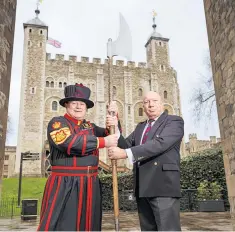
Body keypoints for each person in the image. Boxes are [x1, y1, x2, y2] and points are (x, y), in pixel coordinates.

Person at [37, 83, 123, 231]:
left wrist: (114, 120)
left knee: (89, 224)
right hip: (65, 183)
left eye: (82, 104)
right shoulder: (57, 123)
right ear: (66, 105)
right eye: (74, 103)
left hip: (90, 183)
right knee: (65, 224)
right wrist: (102, 142)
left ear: (86, 107)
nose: (78, 107)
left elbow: (113, 136)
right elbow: (68, 143)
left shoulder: (90, 127)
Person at [108, 91, 184, 231]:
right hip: (142, 186)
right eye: (146, 102)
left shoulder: (174, 121)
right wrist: (116, 124)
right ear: (143, 105)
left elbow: (159, 144)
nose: (150, 104)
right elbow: (126, 145)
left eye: (154, 101)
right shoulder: (140, 127)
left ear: (161, 103)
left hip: (163, 186)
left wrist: (125, 153)